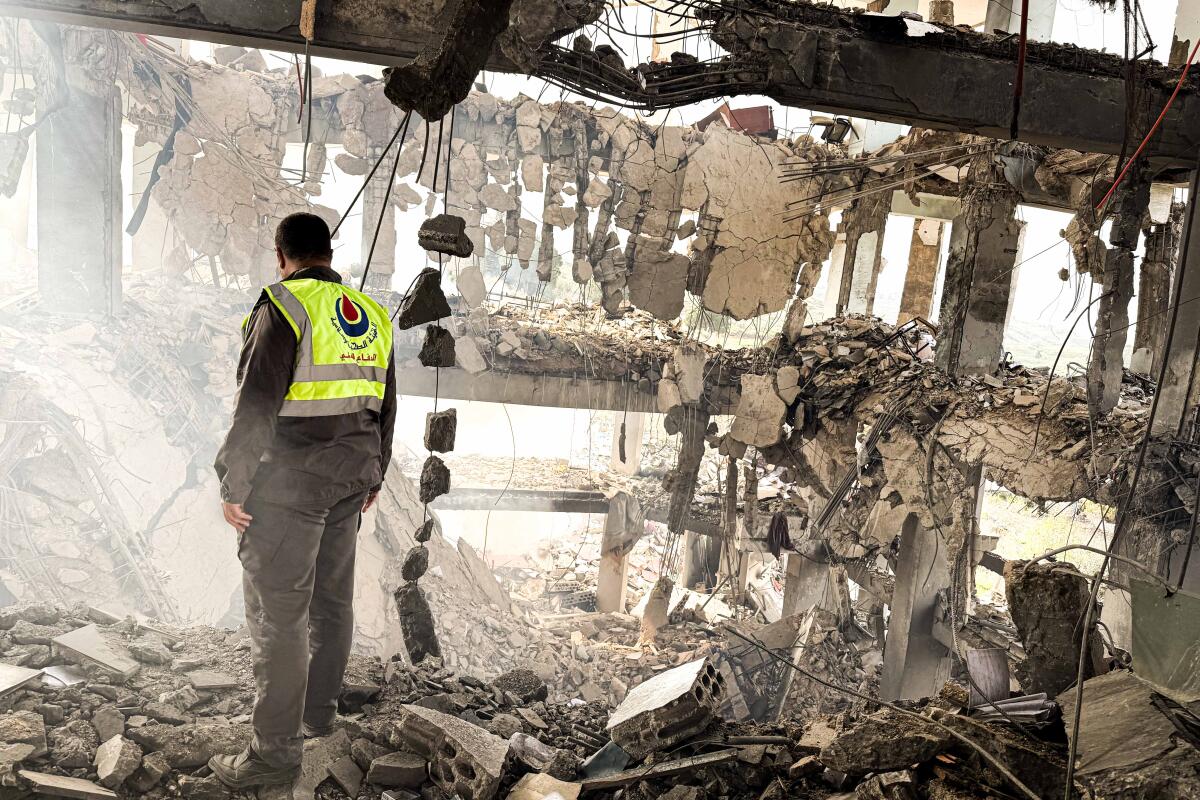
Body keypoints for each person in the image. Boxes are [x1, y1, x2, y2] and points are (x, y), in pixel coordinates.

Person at [210, 212, 396, 788]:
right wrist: (375, 475)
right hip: (349, 480)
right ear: (328, 254)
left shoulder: (283, 306)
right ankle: (318, 717)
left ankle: (273, 755)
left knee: (279, 616)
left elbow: (256, 403)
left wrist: (233, 483)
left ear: (281, 255)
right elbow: (385, 404)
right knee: (332, 604)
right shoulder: (371, 313)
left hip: (291, 486)